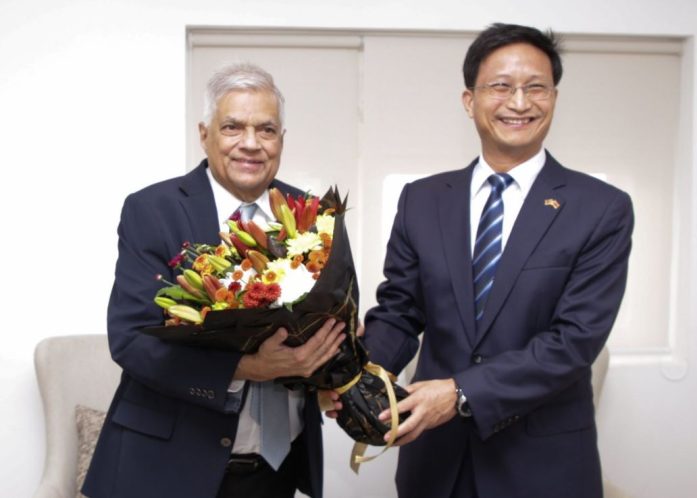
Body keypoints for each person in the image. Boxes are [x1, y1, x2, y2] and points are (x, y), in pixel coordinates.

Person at [359, 23, 634, 497]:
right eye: (501, 86)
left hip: (542, 468)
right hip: (435, 464)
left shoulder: (601, 208)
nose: (519, 103)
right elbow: (400, 311)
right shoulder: (422, 199)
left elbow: (573, 342)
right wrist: (356, 378)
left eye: (536, 87)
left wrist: (461, 392)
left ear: (554, 98)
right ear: (470, 101)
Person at [83, 63, 346, 498]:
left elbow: (330, 317)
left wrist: (332, 364)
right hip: (166, 469)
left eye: (266, 130)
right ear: (204, 134)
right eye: (232, 127)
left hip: (276, 471)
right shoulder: (153, 210)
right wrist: (249, 368)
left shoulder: (315, 215)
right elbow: (132, 340)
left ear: (282, 139)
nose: (251, 143)